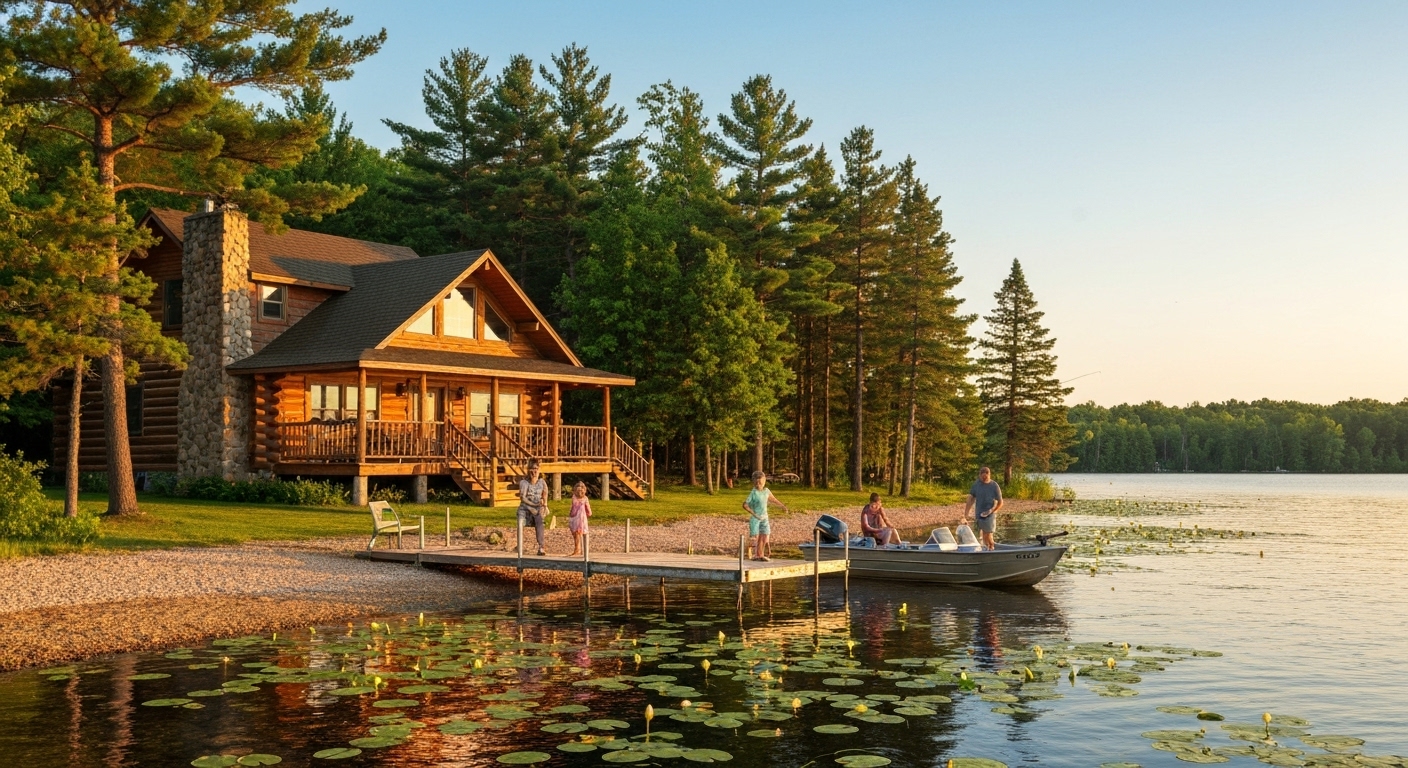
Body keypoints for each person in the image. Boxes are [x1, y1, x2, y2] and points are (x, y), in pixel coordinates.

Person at [742, 470, 788, 561]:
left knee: (765, 535)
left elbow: (773, 499)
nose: (758, 484)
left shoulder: (766, 491)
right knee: (755, 537)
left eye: (760, 482)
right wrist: (753, 514)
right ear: (753, 482)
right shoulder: (753, 493)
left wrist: (782, 506)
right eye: (756, 482)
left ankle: (760, 555)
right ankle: (752, 555)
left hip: (764, 517)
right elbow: (745, 505)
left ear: (764, 481)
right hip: (756, 518)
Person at [963, 466, 1003, 550]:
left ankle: (990, 549)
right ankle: (986, 549)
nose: (984, 479)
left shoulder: (994, 486)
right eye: (982, 477)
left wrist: (992, 510)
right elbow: (970, 499)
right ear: (979, 475)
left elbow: (1000, 503)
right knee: (981, 535)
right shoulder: (976, 484)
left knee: (987, 534)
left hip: (990, 513)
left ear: (989, 475)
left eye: (986, 477)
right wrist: (966, 514)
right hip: (979, 513)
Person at [517, 460, 550, 556]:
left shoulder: (542, 482)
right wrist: (534, 505)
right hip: (525, 508)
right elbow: (523, 498)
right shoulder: (524, 483)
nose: (534, 471)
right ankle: (519, 546)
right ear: (528, 470)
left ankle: (541, 547)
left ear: (539, 470)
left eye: (536, 469)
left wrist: (545, 504)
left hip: (537, 509)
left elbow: (545, 492)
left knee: (539, 520)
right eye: (532, 469)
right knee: (520, 520)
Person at [566, 480, 592, 557]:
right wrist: (588, 514)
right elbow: (589, 510)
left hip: (577, 518)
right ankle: (581, 549)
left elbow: (573, 508)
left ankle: (578, 549)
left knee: (577, 533)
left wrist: (571, 514)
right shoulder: (585, 498)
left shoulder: (574, 498)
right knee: (580, 533)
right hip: (581, 518)